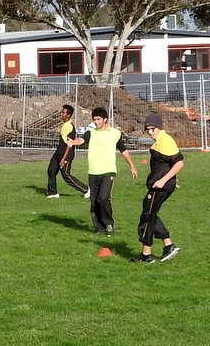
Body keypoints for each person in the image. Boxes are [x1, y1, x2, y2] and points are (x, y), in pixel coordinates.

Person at [67, 107, 137, 237]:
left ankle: (109, 224)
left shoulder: (115, 133)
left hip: (108, 171)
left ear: (105, 119)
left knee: (103, 198)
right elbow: (81, 140)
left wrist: (132, 166)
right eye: (94, 119)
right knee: (94, 202)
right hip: (93, 172)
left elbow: (123, 150)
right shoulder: (91, 133)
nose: (96, 122)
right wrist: (73, 142)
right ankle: (99, 228)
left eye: (98, 119)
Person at [130, 113, 183, 264]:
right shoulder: (160, 141)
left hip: (160, 186)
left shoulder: (165, 141)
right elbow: (166, 164)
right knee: (149, 213)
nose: (150, 132)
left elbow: (179, 163)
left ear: (159, 127)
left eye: (153, 129)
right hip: (162, 184)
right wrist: (172, 179)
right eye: (147, 129)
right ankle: (167, 246)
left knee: (147, 216)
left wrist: (165, 180)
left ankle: (147, 254)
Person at [46, 104, 89, 199]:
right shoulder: (64, 125)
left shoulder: (70, 127)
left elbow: (70, 144)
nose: (61, 114)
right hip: (58, 153)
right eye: (61, 112)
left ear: (68, 115)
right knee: (51, 171)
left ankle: (86, 190)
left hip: (66, 154)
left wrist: (64, 158)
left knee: (66, 175)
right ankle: (53, 193)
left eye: (63, 112)